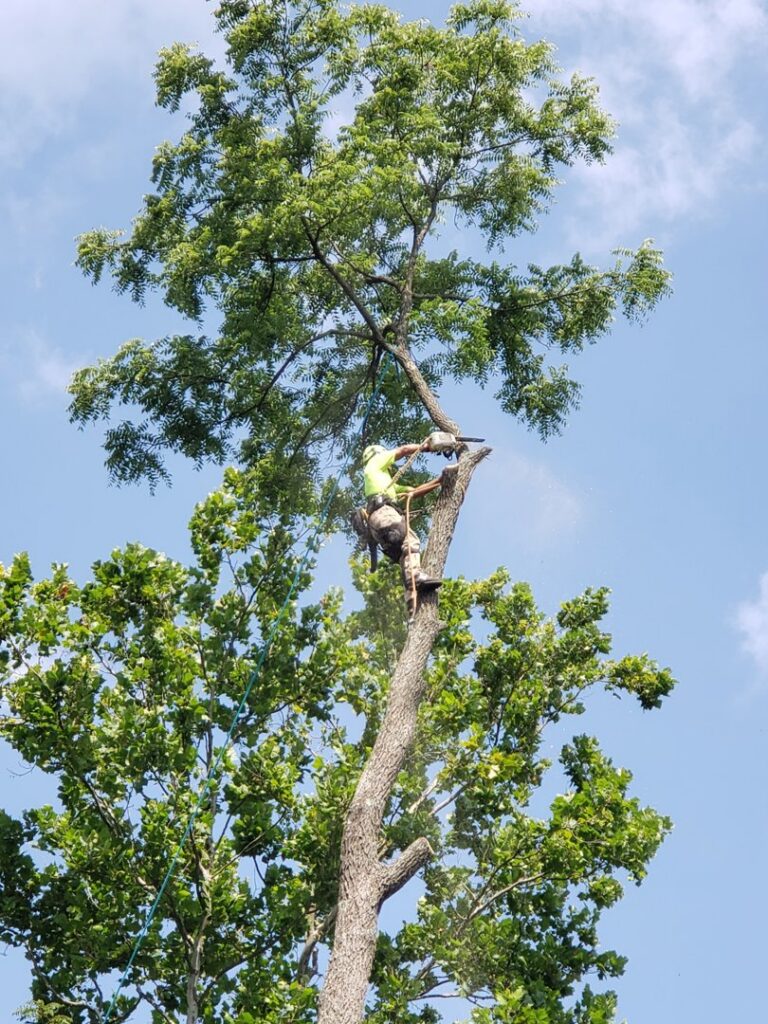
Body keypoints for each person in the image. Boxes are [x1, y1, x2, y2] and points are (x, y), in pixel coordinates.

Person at [362, 441, 444, 613]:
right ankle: (415, 577)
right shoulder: (375, 462)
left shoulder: (385, 484)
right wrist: (428, 445)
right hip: (385, 513)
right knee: (411, 540)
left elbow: (412, 492)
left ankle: (410, 596)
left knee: (403, 555)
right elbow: (404, 450)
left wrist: (440, 481)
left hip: (377, 526)